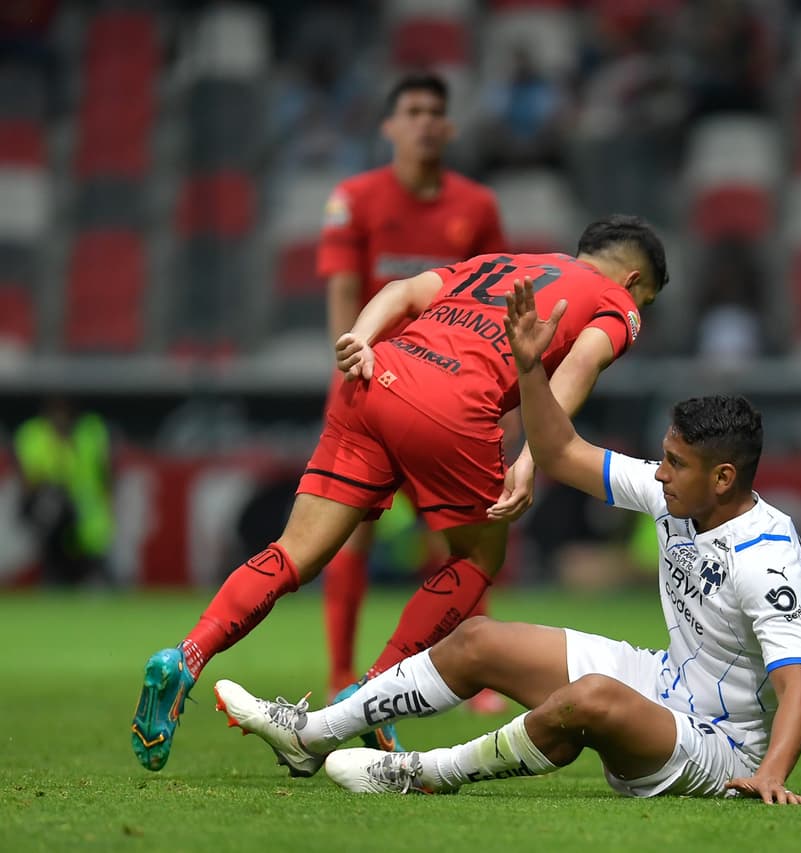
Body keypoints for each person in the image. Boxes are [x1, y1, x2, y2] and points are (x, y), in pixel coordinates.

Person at [213, 280, 801, 803]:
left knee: (593, 697)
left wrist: (769, 776)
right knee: (477, 638)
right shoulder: (674, 495)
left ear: (723, 477)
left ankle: (419, 773)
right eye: (663, 457)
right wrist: (530, 369)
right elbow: (559, 452)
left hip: (722, 745)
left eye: (675, 463)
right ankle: (310, 733)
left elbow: (799, 693)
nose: (659, 472)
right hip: (664, 684)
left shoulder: (768, 558)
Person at [130, 215, 668, 772]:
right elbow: (578, 367)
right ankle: (369, 699)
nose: (640, 312)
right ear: (632, 282)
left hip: (376, 375)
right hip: (454, 407)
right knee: (478, 558)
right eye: (646, 301)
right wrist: (534, 459)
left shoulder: (507, 264)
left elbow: (401, 291)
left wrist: (358, 341)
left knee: (294, 552)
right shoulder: (616, 303)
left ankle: (186, 656)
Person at [316, 74, 507, 711]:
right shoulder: (355, 198)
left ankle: (469, 673)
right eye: (413, 111)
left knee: (459, 538)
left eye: (435, 112)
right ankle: (343, 669)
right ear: (389, 127)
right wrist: (344, 365)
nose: (425, 122)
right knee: (351, 537)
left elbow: (502, 300)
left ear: (448, 128)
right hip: (371, 389)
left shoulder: (475, 207)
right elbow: (345, 296)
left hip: (447, 397)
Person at [12, 397, 114, 586]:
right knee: (53, 506)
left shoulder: (89, 433)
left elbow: (105, 472)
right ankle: (56, 574)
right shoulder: (34, 436)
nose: (61, 420)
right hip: (55, 510)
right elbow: (28, 482)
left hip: (86, 508)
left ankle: (90, 577)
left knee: (90, 541)